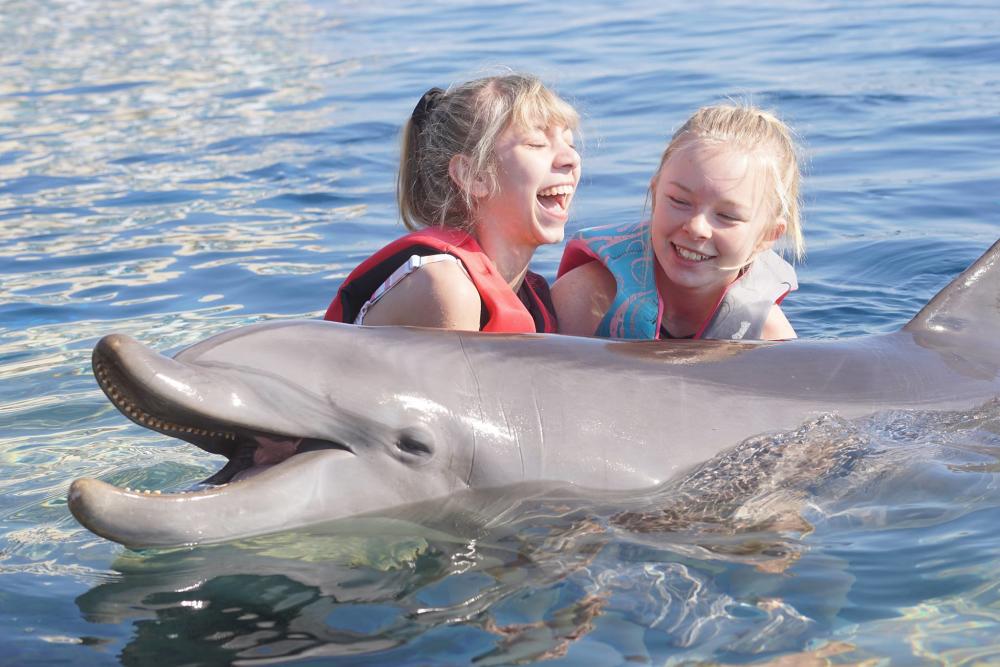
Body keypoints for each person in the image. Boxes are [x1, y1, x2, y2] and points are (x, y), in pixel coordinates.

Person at [324, 74, 581, 333]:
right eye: (536, 144)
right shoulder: (446, 286)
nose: (570, 157)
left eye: (569, 143)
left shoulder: (534, 298)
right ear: (474, 176)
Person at [552, 103, 805, 341]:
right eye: (679, 201)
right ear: (655, 196)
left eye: (727, 216)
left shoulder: (767, 335)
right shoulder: (588, 298)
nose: (696, 227)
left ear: (767, 236)